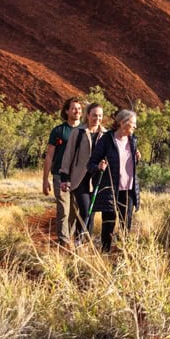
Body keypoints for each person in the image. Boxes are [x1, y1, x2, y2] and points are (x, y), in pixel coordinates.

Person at [87, 109, 141, 251]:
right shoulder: (107, 140)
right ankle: (105, 252)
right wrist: (99, 166)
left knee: (126, 223)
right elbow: (91, 163)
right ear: (122, 123)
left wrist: (137, 159)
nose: (135, 127)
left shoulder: (133, 141)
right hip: (110, 188)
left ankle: (125, 253)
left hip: (128, 189)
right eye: (133, 123)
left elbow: (128, 164)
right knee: (109, 223)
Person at [58, 102, 107, 244]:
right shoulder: (78, 132)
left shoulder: (105, 134)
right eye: (94, 115)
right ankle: (79, 241)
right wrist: (64, 177)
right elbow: (68, 155)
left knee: (92, 212)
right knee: (86, 210)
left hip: (96, 178)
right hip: (79, 178)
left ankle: (86, 242)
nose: (97, 118)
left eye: (100, 116)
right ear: (88, 115)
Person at [43, 96, 85, 247]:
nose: (77, 111)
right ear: (67, 111)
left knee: (75, 210)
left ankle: (69, 238)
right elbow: (49, 156)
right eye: (74, 108)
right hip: (60, 176)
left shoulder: (85, 130)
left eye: (79, 109)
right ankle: (64, 242)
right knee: (63, 208)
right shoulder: (59, 131)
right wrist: (45, 180)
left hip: (79, 178)